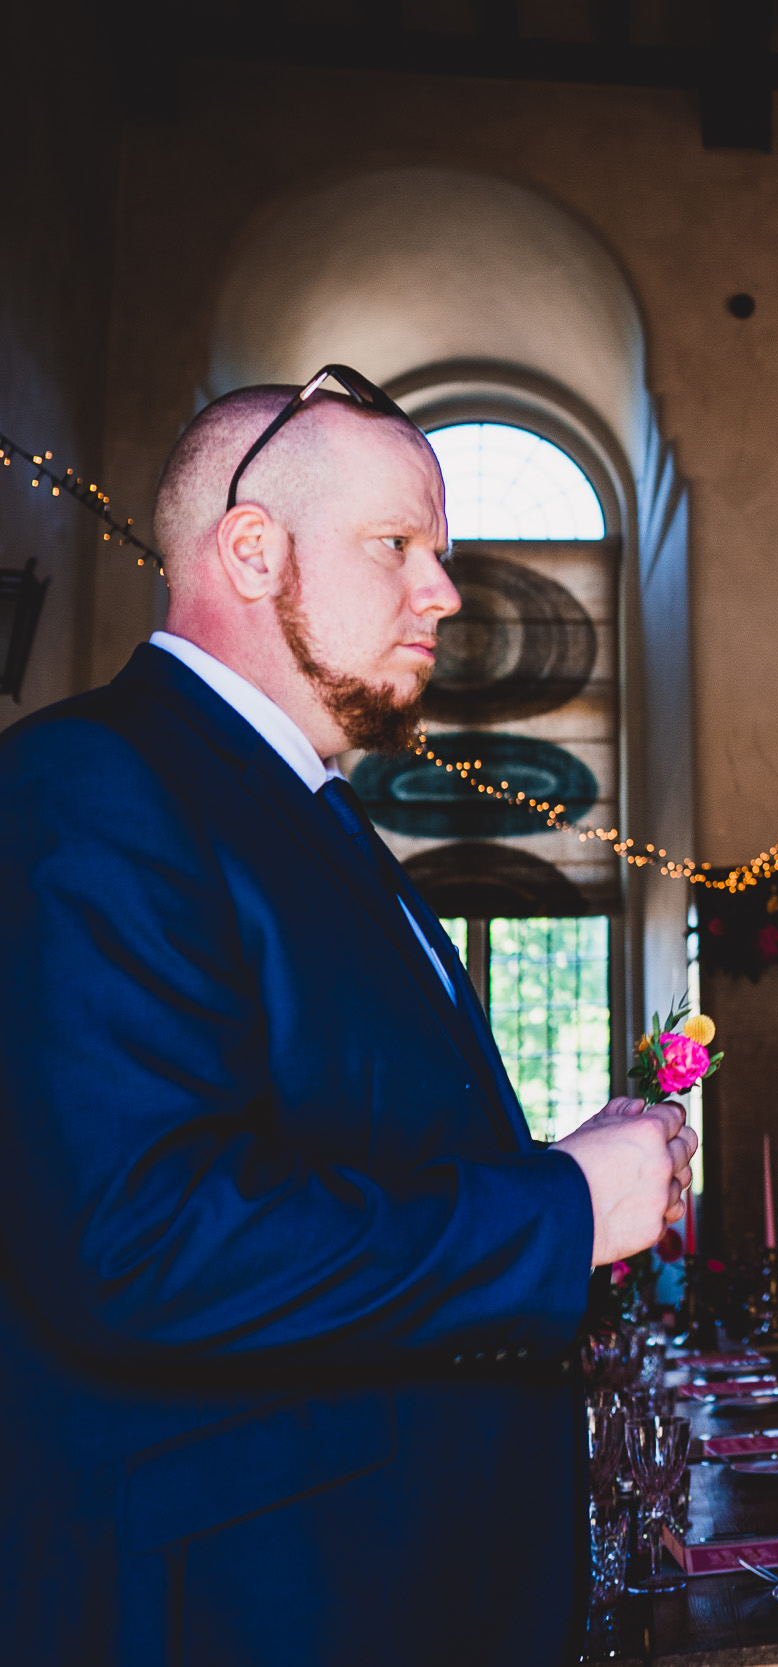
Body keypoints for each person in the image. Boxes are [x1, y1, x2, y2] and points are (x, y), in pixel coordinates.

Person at [0, 372, 695, 1666]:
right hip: (250, 1605)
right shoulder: (96, 781)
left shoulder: (315, 819)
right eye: (399, 546)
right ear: (253, 550)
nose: (442, 591)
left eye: (443, 554)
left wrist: (575, 1166)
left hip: (398, 1582)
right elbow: (139, 1238)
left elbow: (351, 1156)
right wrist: (561, 1209)